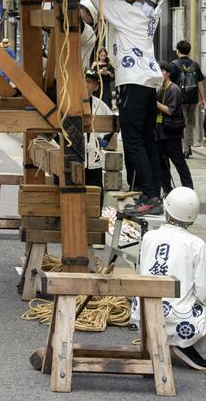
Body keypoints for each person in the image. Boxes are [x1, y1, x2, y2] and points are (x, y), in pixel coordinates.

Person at [86, 0, 165, 216]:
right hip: (149, 85)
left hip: (134, 84)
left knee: (132, 141)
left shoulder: (130, 14)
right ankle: (154, 192)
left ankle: (150, 195)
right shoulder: (150, 12)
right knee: (146, 140)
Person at [131, 187, 206, 370]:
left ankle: (164, 339)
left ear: (167, 210)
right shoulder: (197, 245)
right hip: (179, 319)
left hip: (144, 313)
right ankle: (184, 345)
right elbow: (203, 291)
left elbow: (142, 270)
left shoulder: (149, 237)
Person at [156, 61, 194, 195]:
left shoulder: (174, 89)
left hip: (171, 132)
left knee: (178, 161)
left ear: (168, 73)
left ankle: (188, 189)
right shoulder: (161, 89)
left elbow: (170, 110)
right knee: (162, 162)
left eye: (162, 71)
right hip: (160, 131)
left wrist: (155, 103)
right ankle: (167, 189)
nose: (160, 74)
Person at [170, 40, 206, 158]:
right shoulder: (195, 65)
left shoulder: (174, 64)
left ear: (178, 51)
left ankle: (184, 148)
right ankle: (188, 147)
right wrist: (203, 99)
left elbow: (170, 83)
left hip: (179, 99)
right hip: (193, 99)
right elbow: (200, 83)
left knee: (181, 123)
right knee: (190, 123)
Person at [84, 69, 113, 205]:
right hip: (76, 156)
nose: (86, 84)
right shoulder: (70, 102)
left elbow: (113, 123)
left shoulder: (100, 105)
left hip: (93, 155)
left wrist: (105, 139)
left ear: (96, 87)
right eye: (84, 80)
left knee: (95, 193)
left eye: (90, 82)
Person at [79, 0, 97, 70]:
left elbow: (80, 27)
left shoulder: (89, 32)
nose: (78, 9)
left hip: (75, 72)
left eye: (81, 7)